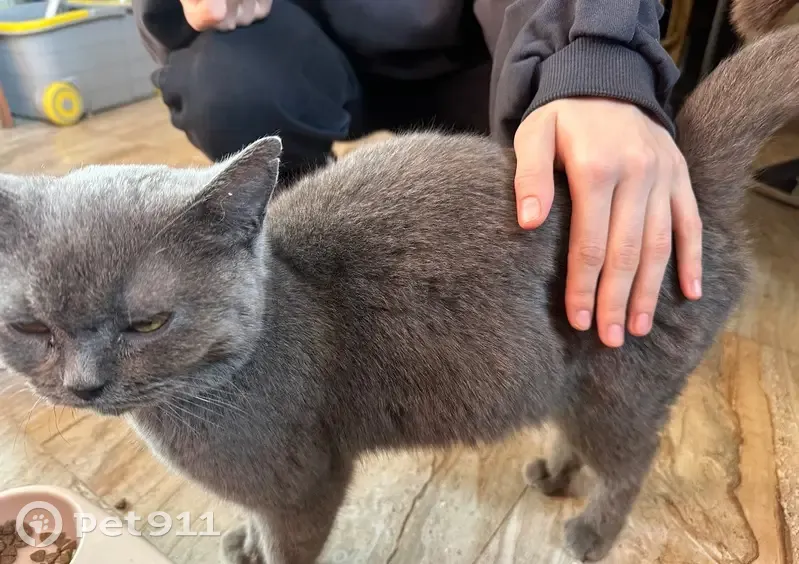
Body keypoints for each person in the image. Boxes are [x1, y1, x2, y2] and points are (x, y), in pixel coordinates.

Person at [132, 0, 703, 349]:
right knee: (227, 87)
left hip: (490, 50)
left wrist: (594, 53)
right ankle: (297, 283)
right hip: (300, 45)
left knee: (569, 162)